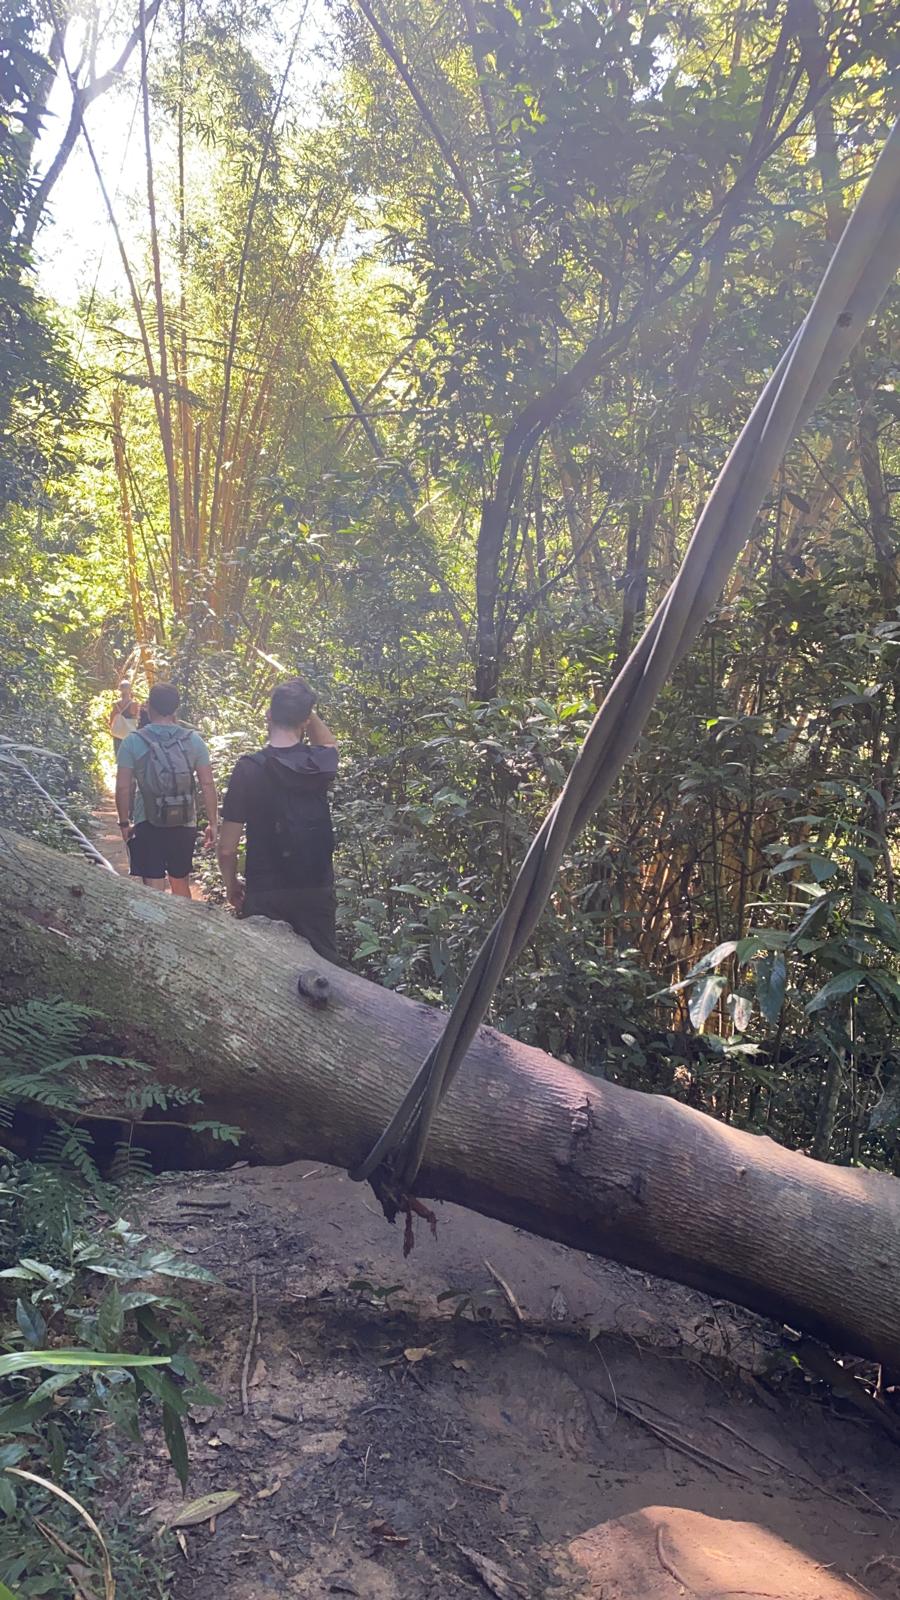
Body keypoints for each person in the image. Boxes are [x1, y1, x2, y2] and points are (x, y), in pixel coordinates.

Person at [217, 677, 339, 962]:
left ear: (269, 715)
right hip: (315, 886)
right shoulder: (318, 764)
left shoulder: (248, 769)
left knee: (265, 973)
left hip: (265, 889)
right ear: (305, 720)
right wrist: (308, 713)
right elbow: (330, 744)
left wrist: (231, 885)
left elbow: (226, 848)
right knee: (325, 974)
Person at [115, 681, 218, 898]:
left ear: (149, 706)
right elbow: (207, 783)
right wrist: (212, 822)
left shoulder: (133, 741)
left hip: (147, 819)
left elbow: (124, 786)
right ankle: (184, 929)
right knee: (180, 880)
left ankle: (159, 930)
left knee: (153, 882)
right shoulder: (193, 740)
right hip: (184, 820)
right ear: (175, 709)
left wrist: (124, 822)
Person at [109, 679, 141, 755]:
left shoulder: (116, 704)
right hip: (129, 734)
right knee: (130, 755)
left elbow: (111, 719)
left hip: (117, 734)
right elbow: (137, 719)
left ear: (120, 690)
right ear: (130, 690)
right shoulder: (134, 704)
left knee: (118, 755)